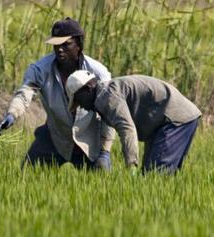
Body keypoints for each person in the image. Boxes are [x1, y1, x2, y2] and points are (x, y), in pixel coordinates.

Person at [0, 17, 116, 170]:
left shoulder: (98, 73)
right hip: (55, 135)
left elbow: (110, 111)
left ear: (78, 44)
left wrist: (105, 151)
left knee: (101, 186)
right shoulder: (40, 69)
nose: (60, 49)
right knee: (27, 175)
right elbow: (25, 92)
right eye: (56, 45)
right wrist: (12, 114)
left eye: (66, 44)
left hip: (89, 139)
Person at [65, 71, 201, 174]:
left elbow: (127, 129)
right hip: (164, 123)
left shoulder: (108, 97)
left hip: (175, 120)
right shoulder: (105, 94)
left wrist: (131, 166)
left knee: (156, 176)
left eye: (78, 100)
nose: (80, 106)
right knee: (150, 174)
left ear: (88, 88)